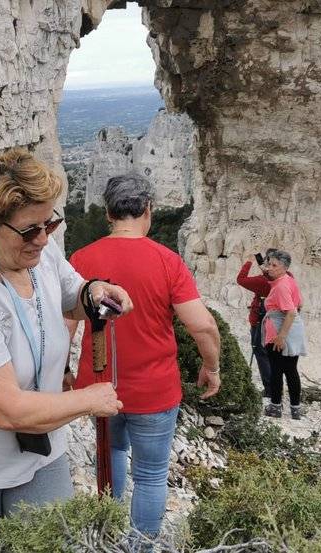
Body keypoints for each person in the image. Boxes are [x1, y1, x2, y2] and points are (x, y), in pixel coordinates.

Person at [0, 148, 131, 530]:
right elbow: (6, 410)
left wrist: (96, 290)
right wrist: (87, 400)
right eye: (30, 230)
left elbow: (72, 297)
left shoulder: (37, 255)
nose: (43, 239)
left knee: (54, 536)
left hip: (41, 441)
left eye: (48, 224)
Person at [67, 173, 221, 540]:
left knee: (112, 455)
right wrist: (211, 366)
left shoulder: (82, 258)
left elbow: (65, 323)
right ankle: (140, 548)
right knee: (151, 475)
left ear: (108, 213)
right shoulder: (167, 261)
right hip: (154, 389)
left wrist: (62, 369)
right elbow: (202, 326)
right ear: (148, 210)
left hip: (100, 385)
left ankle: (108, 537)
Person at [261, 250, 306, 419]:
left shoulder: (280, 286)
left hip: (281, 330)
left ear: (284, 268)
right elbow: (300, 303)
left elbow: (291, 312)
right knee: (291, 370)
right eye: (269, 264)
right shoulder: (289, 280)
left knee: (276, 370)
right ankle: (295, 409)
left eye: (274, 265)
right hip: (294, 330)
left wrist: (281, 336)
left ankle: (275, 407)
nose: (269, 268)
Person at [236, 249, 276, 396]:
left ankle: (270, 390)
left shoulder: (262, 281)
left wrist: (249, 261)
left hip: (260, 322)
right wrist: (266, 269)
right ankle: (276, 387)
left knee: (261, 353)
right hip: (277, 321)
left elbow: (241, 279)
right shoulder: (286, 278)